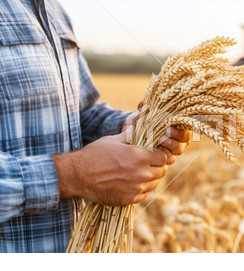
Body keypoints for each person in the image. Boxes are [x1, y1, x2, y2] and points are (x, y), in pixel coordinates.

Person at [0, 0, 191, 252]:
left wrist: (133, 126)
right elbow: (74, 170)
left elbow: (79, 115)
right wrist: (72, 174)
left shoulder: (54, 11)